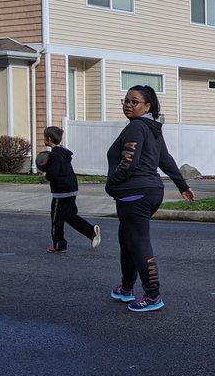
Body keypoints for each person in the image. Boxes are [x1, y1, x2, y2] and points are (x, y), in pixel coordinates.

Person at [105, 85, 194, 312]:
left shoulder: (137, 126)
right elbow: (166, 160)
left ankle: (152, 296)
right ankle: (126, 288)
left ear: (147, 106)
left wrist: (111, 184)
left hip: (134, 193)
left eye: (134, 101)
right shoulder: (152, 128)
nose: (128, 105)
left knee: (139, 243)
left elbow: (128, 163)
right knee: (127, 240)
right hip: (151, 191)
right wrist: (182, 186)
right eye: (125, 100)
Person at [37, 125, 101, 253]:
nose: (44, 139)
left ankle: (59, 245)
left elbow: (53, 174)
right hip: (71, 189)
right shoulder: (63, 153)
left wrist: (45, 176)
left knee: (56, 219)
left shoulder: (54, 155)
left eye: (44, 137)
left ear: (49, 139)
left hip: (61, 192)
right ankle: (91, 231)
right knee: (69, 215)